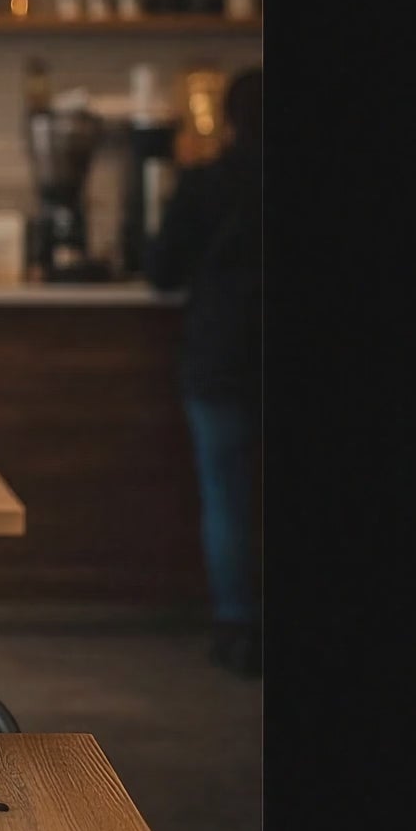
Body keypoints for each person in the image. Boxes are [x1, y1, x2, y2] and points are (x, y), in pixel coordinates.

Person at [146, 67, 263, 678]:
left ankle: (239, 627)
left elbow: (162, 271)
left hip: (222, 356)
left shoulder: (208, 183)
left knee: (227, 496)